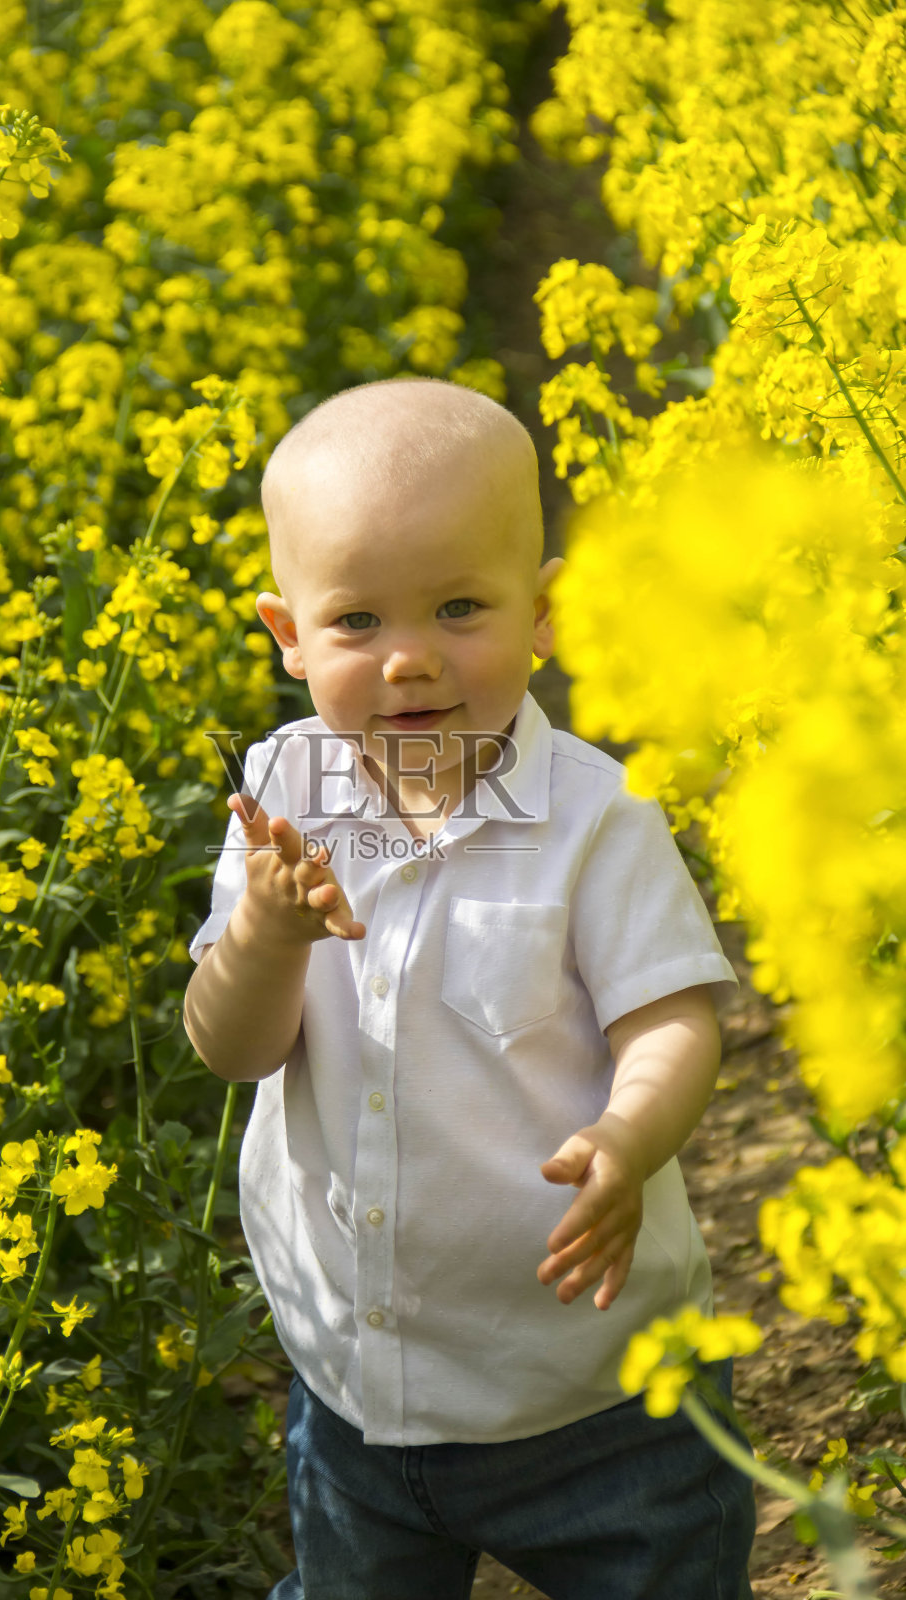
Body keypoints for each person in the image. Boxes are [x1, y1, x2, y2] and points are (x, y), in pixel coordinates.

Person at [183, 378, 755, 1600]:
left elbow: (671, 1017)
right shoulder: (283, 793)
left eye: (457, 607)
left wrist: (626, 1135)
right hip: (355, 1378)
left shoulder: (595, 820)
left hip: (596, 1389)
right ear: (286, 635)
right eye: (354, 622)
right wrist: (269, 937)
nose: (407, 658)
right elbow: (231, 1050)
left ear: (541, 610)